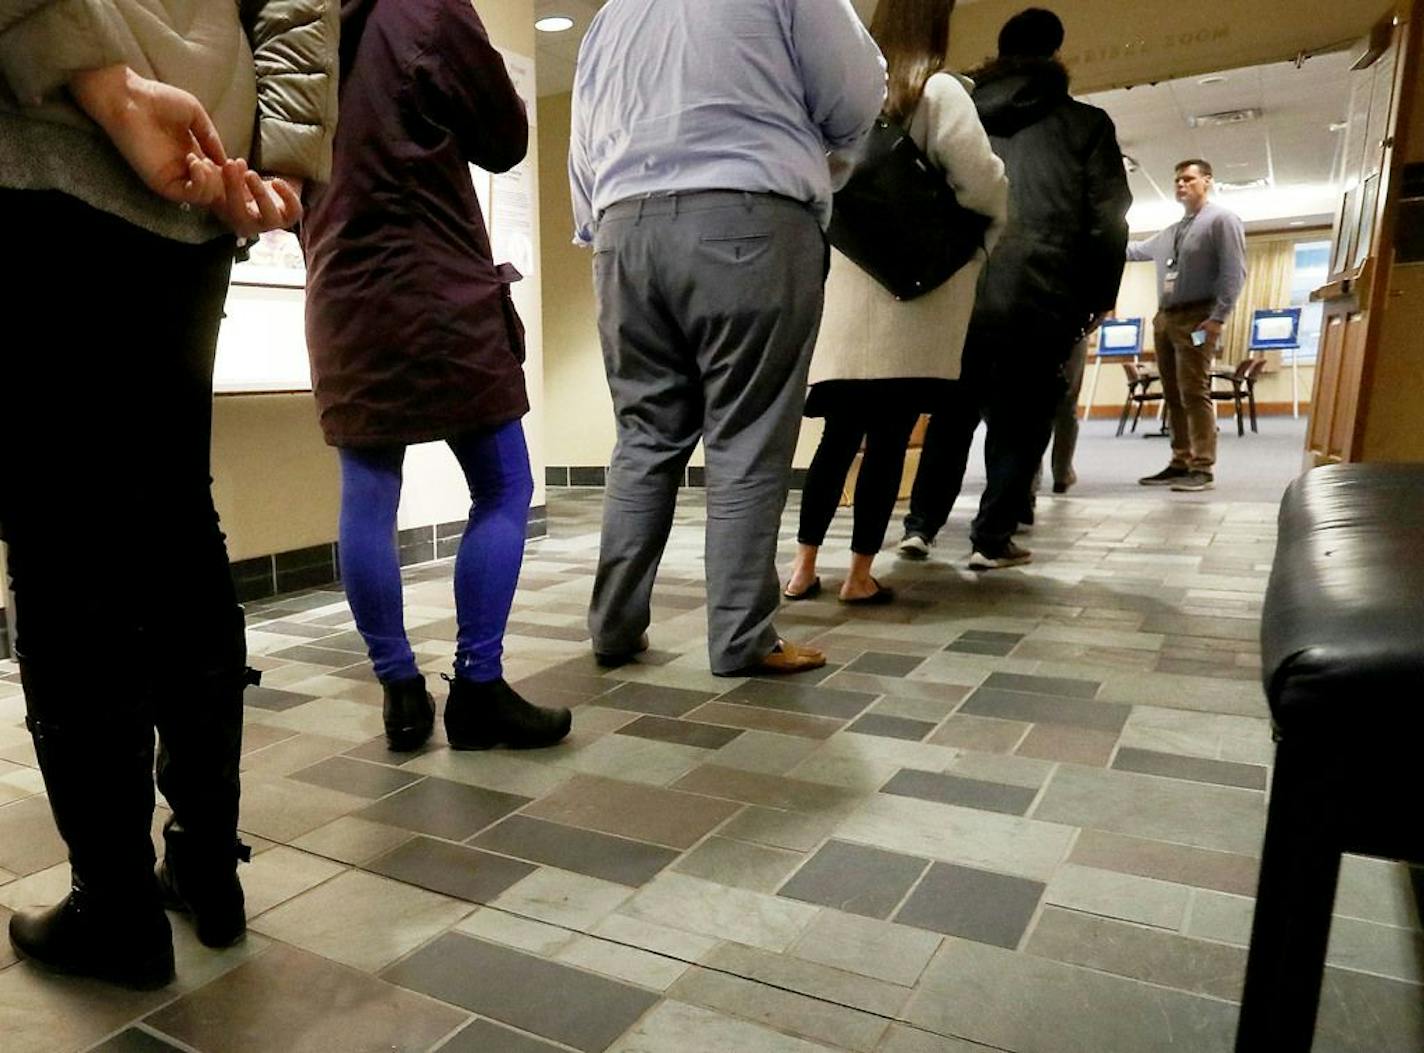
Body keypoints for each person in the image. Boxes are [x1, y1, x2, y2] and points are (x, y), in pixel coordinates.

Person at [0, 0, 337, 988]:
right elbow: (299, 5)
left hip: (44, 137)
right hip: (201, 167)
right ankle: (206, 863)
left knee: (64, 547)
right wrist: (279, 156)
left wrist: (101, 80)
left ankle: (116, 905)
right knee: (176, 522)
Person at [570, 0, 886, 675]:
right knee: (746, 437)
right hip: (751, 215)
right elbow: (855, 93)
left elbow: (582, 150)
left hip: (624, 232)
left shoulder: (611, 15)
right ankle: (741, 638)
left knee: (644, 435)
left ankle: (614, 628)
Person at [301, 0, 570, 753]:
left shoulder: (297, 20)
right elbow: (506, 138)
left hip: (340, 296)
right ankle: (478, 686)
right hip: (437, 290)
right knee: (505, 484)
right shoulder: (424, 7)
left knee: (366, 495)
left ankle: (400, 694)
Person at [784, 0, 1007, 606]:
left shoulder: (841, 100)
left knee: (836, 439)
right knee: (888, 440)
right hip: (917, 300)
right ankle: (859, 576)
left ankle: (802, 569)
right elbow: (982, 182)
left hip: (849, 297)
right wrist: (984, 241)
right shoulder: (936, 90)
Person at [897, 6, 1130, 567]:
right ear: (1055, 55)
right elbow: (1108, 218)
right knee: (1022, 420)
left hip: (959, 289)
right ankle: (991, 539)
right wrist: (1098, 297)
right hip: (1043, 292)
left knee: (951, 415)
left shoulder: (958, 116)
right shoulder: (1087, 125)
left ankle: (921, 528)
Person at [1130, 159, 1247, 492]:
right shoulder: (1172, 231)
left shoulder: (1222, 220)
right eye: (1177, 180)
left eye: (1188, 179)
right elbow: (1135, 251)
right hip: (1165, 319)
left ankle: (1202, 466)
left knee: (1194, 390)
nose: (1181, 185)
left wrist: (1218, 317)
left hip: (1198, 319)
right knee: (1173, 392)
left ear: (1207, 181)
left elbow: (1234, 272)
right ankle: (1180, 460)